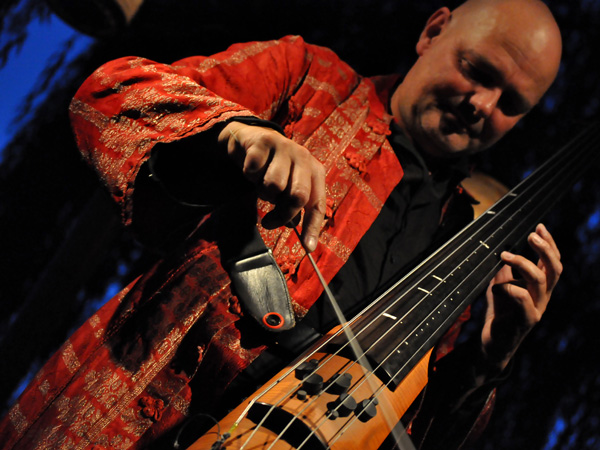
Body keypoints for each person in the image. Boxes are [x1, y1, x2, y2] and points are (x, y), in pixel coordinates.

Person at [0, 0, 563, 448]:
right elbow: (111, 93)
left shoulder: (465, 242)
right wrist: (235, 132)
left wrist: (490, 361)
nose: (481, 104)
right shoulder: (311, 78)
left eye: (511, 102)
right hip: (129, 413)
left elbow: (417, 435)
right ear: (433, 31)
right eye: (477, 70)